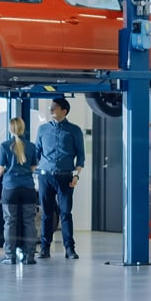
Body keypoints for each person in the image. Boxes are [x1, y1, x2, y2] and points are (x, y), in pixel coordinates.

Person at [35, 97, 85, 259]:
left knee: (65, 213)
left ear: (64, 110)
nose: (51, 110)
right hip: (45, 177)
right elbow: (36, 154)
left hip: (66, 177)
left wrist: (76, 175)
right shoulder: (42, 129)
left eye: (55, 107)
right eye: (51, 107)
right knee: (47, 214)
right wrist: (35, 174)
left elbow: (81, 156)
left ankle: (69, 249)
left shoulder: (74, 130)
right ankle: (44, 248)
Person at [0, 117, 38, 265]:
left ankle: (10, 256)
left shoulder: (5, 146)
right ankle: (30, 256)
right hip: (28, 188)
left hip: (10, 188)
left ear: (10, 129)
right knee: (29, 222)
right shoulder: (31, 146)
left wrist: (6, 169)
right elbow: (33, 168)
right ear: (23, 128)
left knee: (10, 222)